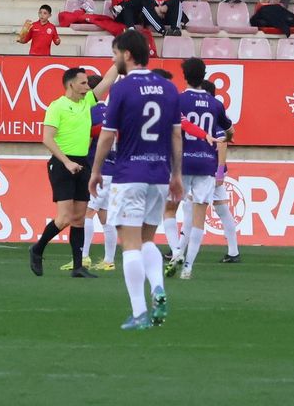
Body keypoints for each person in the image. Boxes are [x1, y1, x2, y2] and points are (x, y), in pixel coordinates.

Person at [89, 30, 182, 330]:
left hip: (129, 175)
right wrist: (176, 175)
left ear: (127, 54)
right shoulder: (168, 88)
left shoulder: (122, 89)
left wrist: (95, 170)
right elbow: (175, 134)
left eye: (115, 54)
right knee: (146, 240)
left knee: (129, 244)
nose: (114, 59)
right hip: (159, 175)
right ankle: (158, 287)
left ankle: (140, 312)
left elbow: (106, 135)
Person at [166, 57, 233, 281]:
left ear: (184, 76)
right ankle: (188, 267)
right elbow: (228, 129)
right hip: (206, 163)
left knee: (169, 210)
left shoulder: (178, 99)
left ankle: (176, 252)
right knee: (198, 218)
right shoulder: (215, 103)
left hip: (182, 161)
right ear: (204, 76)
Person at [30, 66, 98, 279]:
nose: (88, 87)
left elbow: (108, 82)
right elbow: (47, 138)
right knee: (65, 217)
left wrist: (123, 53)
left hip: (82, 164)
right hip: (62, 164)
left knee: (79, 218)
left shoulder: (87, 103)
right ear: (71, 84)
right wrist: (67, 162)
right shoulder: (57, 106)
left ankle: (78, 267)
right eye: (84, 83)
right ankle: (37, 249)